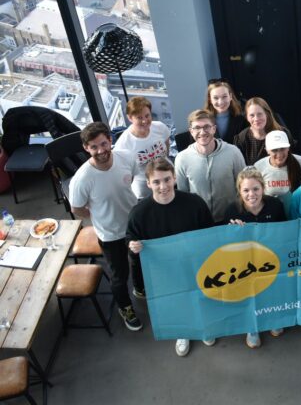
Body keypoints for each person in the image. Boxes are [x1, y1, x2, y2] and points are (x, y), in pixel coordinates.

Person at [126, 159, 214, 357]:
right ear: (148, 183)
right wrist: (133, 246)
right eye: (156, 182)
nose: (163, 186)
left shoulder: (194, 203)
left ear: (174, 178)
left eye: (166, 179)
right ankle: (183, 332)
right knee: (177, 303)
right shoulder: (139, 213)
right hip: (164, 271)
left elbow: (209, 233)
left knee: (200, 298)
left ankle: (204, 327)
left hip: (194, 265)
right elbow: (131, 239)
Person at [69, 121, 142, 332]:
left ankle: (139, 288)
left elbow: (136, 177)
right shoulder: (82, 179)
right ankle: (125, 307)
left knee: (138, 261)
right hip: (110, 234)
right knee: (119, 275)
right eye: (94, 147)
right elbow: (77, 209)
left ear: (110, 140)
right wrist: (99, 215)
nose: (101, 150)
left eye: (103, 143)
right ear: (86, 148)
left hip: (133, 225)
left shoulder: (126, 157)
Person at [224, 167, 287, 348]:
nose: (251, 194)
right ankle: (252, 326)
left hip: (271, 260)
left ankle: (274, 317)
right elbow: (225, 245)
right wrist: (235, 232)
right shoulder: (232, 211)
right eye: (246, 190)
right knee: (249, 293)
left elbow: (285, 233)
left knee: (272, 291)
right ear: (239, 191)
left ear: (263, 188)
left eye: (256, 189)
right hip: (245, 264)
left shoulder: (276, 206)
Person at [175, 109, 246, 223]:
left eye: (206, 127)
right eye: (197, 128)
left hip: (231, 220)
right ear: (191, 131)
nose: (202, 132)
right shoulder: (182, 158)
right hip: (199, 221)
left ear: (214, 129)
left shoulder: (233, 152)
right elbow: (183, 195)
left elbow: (244, 186)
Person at [114, 96, 171, 199]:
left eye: (147, 116)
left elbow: (167, 147)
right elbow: (123, 172)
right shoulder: (123, 144)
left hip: (167, 176)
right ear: (130, 118)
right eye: (139, 118)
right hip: (144, 186)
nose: (145, 121)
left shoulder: (160, 127)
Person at [253, 130, 301, 214]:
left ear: (288, 148)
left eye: (282, 149)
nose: (279, 154)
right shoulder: (258, 167)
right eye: (274, 150)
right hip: (270, 215)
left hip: (297, 213)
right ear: (267, 150)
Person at [233, 97, 289, 165]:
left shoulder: (282, 134)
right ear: (247, 117)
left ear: (266, 114)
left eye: (260, 114)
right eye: (252, 115)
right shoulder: (241, 139)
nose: (256, 119)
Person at [204, 80, 248, 144]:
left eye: (224, 96)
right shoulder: (202, 121)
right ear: (210, 99)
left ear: (230, 96)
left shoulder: (242, 120)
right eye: (216, 98)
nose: (220, 102)